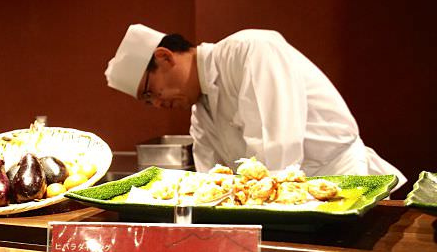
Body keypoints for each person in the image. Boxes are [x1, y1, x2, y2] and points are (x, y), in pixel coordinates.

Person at [105, 24, 406, 188]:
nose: (157, 104)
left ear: (164, 57)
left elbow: (280, 150)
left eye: (150, 92)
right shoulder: (200, 115)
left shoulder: (250, 50)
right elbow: (216, 184)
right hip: (286, 202)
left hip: (342, 182)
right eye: (148, 103)